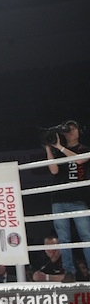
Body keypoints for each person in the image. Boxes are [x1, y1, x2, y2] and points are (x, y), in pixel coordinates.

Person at [44, 119, 90, 283]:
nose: (70, 131)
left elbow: (79, 160)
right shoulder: (58, 152)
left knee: (86, 236)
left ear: (79, 131)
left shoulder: (85, 149)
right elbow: (54, 170)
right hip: (59, 199)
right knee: (63, 238)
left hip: (79, 199)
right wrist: (49, 148)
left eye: (73, 128)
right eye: (67, 129)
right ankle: (69, 272)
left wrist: (60, 147)